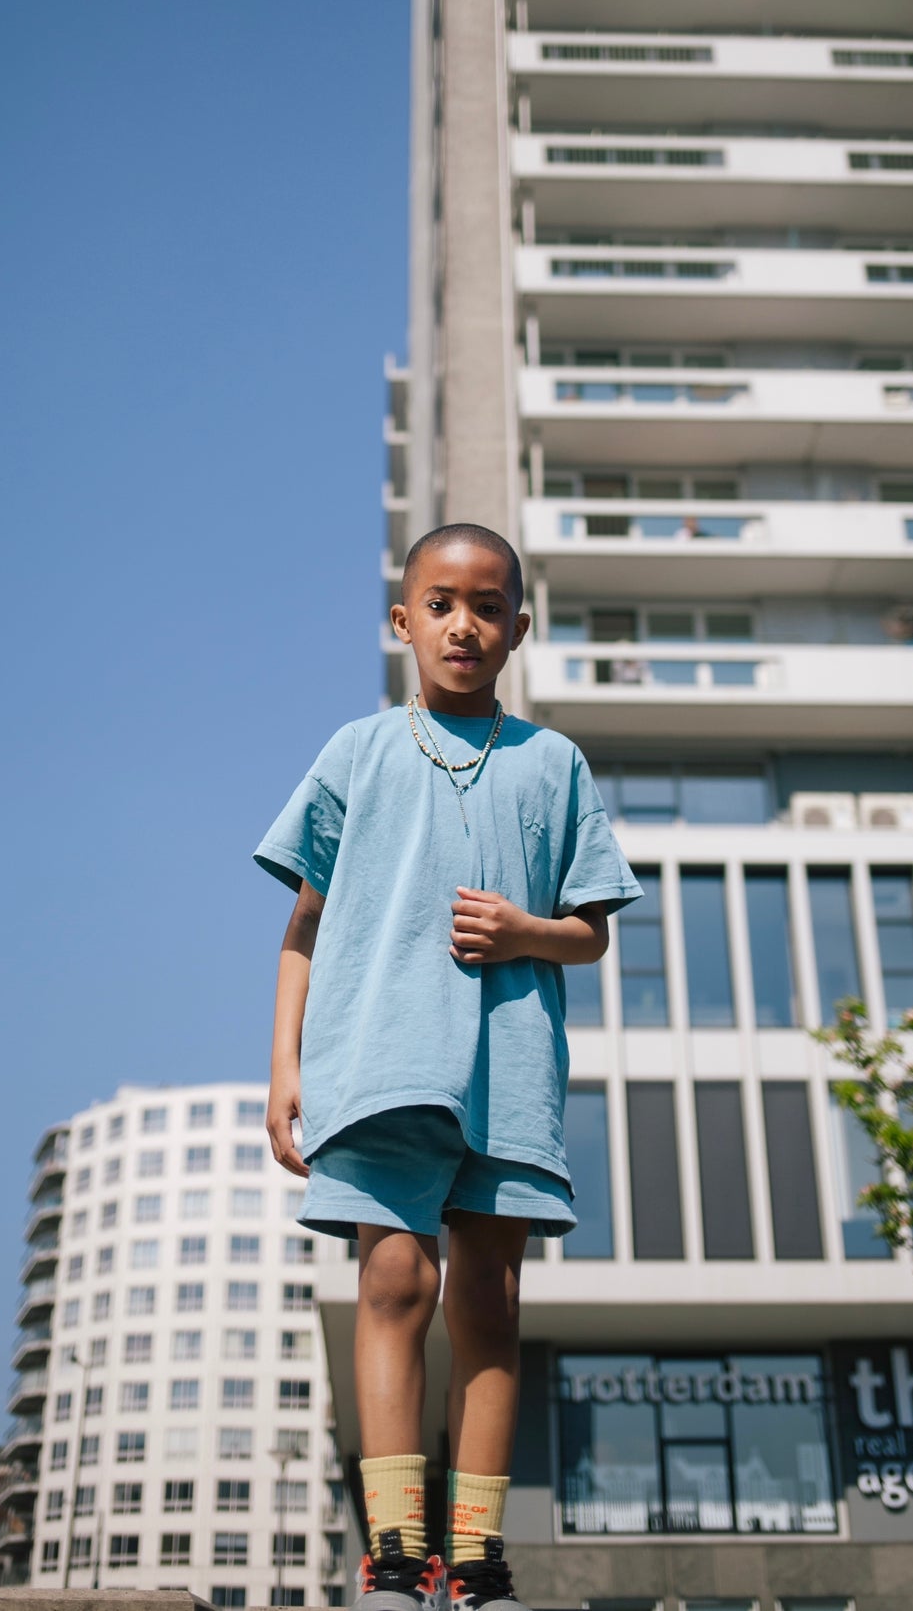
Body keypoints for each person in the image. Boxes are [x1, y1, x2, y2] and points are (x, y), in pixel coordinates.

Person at [254, 523, 640, 1611]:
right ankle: (393, 1553)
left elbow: (594, 932)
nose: (462, 623)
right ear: (403, 619)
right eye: (440, 602)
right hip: (376, 1057)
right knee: (392, 1277)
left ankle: (474, 1559)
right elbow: (304, 924)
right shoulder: (359, 750)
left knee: (491, 1296)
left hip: (507, 1066)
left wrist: (526, 929)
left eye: (485, 604)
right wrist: (282, 1066)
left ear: (520, 626)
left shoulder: (552, 761)